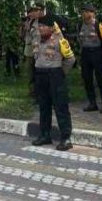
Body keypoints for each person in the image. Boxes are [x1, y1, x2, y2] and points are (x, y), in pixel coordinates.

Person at [32, 14, 75, 151]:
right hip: (40, 75)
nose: (41, 28)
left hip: (55, 75)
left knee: (60, 107)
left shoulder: (60, 41)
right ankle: (45, 135)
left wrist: (61, 73)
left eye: (44, 26)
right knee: (44, 106)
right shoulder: (37, 39)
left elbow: (70, 59)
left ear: (52, 28)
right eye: (39, 26)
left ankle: (66, 138)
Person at [76, 4, 102, 113]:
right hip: (86, 54)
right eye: (84, 12)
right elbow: (79, 40)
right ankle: (92, 103)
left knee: (101, 79)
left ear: (93, 13)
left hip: (97, 53)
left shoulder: (100, 26)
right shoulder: (79, 25)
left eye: (88, 12)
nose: (85, 14)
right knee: (87, 79)